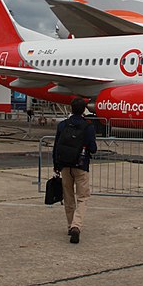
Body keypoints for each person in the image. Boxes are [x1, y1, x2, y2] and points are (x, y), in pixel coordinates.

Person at [52, 97, 97, 244]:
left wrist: (56, 165)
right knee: (83, 197)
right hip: (81, 165)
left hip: (64, 165)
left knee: (68, 197)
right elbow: (93, 148)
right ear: (84, 109)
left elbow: (56, 145)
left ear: (71, 109)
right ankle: (76, 226)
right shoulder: (88, 126)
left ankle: (70, 225)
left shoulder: (63, 125)